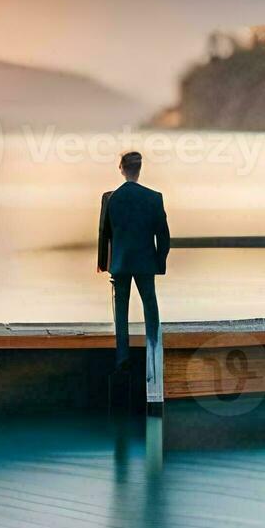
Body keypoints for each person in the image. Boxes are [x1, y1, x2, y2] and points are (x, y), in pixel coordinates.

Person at [97, 151, 171, 411]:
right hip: (145, 263)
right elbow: (164, 236)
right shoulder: (153, 198)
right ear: (139, 169)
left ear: (121, 168)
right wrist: (159, 263)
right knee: (151, 308)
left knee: (122, 313)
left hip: (120, 263)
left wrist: (105, 264)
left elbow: (104, 234)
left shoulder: (112, 199)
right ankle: (153, 355)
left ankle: (122, 359)